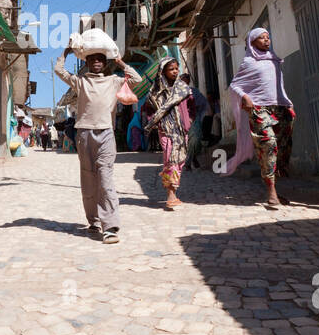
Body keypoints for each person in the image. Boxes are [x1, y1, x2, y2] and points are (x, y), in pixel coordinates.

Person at [54, 46, 141, 243]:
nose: (96, 62)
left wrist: (120, 62)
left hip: (106, 135)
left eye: (100, 59)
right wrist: (65, 54)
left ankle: (110, 226)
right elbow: (60, 71)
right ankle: (92, 221)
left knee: (105, 178)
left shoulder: (114, 81)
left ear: (105, 62)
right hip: (84, 134)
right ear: (86, 63)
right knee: (88, 180)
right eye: (92, 59)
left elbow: (137, 79)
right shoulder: (81, 82)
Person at [222, 27, 296, 208]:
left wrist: (288, 102)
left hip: (280, 108)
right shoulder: (248, 62)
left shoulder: (275, 60)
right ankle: (270, 192)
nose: (266, 40)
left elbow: (279, 85)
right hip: (258, 109)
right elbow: (235, 85)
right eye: (261, 38)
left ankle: (276, 189)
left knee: (281, 147)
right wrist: (245, 97)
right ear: (252, 42)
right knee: (268, 143)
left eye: (267, 37)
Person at [143, 58, 193, 209]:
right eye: (171, 69)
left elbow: (192, 106)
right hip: (166, 131)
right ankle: (170, 195)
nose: (175, 71)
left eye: (177, 68)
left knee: (179, 161)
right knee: (170, 161)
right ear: (163, 71)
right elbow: (149, 110)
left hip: (181, 131)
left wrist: (187, 121)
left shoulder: (183, 88)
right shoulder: (155, 92)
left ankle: (173, 192)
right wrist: (158, 122)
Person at [181, 72, 208, 170]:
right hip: (181, 120)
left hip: (194, 119)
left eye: (187, 79)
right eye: (183, 79)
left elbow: (203, 102)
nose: (185, 81)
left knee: (196, 139)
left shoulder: (194, 91)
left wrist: (197, 112)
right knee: (186, 142)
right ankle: (189, 162)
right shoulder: (176, 93)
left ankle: (193, 157)